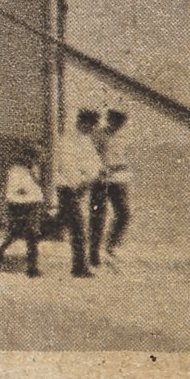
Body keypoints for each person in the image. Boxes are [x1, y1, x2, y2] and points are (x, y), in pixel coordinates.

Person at [53, 107, 106, 277]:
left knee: (61, 223)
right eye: (90, 126)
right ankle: (79, 267)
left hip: (79, 188)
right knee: (77, 227)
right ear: (83, 123)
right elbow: (67, 166)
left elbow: (95, 164)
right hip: (67, 188)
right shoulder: (67, 140)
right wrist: (80, 181)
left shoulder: (85, 140)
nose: (92, 130)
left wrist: (94, 174)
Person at [0, 152, 47, 276]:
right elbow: (13, 191)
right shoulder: (16, 171)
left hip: (33, 205)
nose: (36, 161)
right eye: (34, 157)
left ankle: (32, 267)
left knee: (31, 234)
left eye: (37, 158)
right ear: (25, 157)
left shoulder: (34, 170)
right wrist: (24, 191)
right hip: (19, 206)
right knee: (17, 233)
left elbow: (36, 188)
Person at [97, 108, 135, 260]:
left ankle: (112, 245)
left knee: (124, 214)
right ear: (109, 120)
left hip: (119, 180)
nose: (118, 125)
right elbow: (93, 157)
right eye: (115, 121)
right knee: (98, 215)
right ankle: (96, 248)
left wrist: (121, 168)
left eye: (121, 123)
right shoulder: (98, 135)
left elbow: (126, 160)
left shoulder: (123, 138)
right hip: (101, 180)